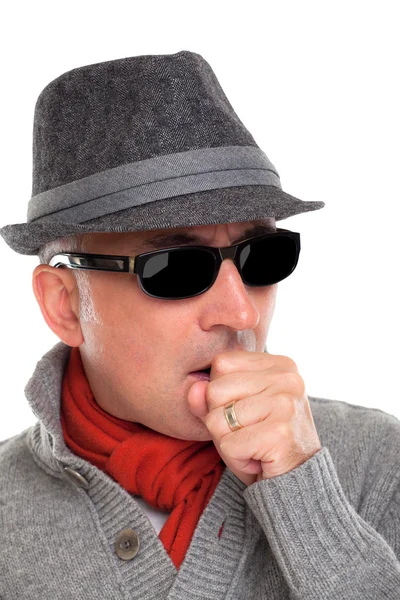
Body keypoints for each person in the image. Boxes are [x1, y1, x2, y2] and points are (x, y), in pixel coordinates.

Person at [0, 51, 399, 600]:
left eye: (263, 257)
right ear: (65, 304)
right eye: (177, 268)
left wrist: (306, 498)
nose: (242, 313)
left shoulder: (378, 461)